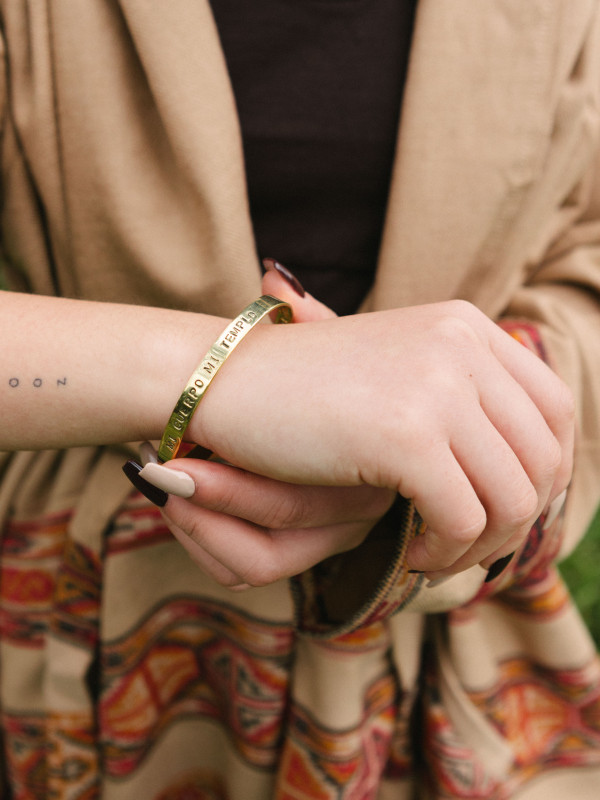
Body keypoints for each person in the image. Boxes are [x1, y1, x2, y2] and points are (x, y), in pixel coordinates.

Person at [0, 1, 599, 798]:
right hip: (82, 622)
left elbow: (584, 248)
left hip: (447, 646)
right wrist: (210, 374)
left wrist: (473, 419)